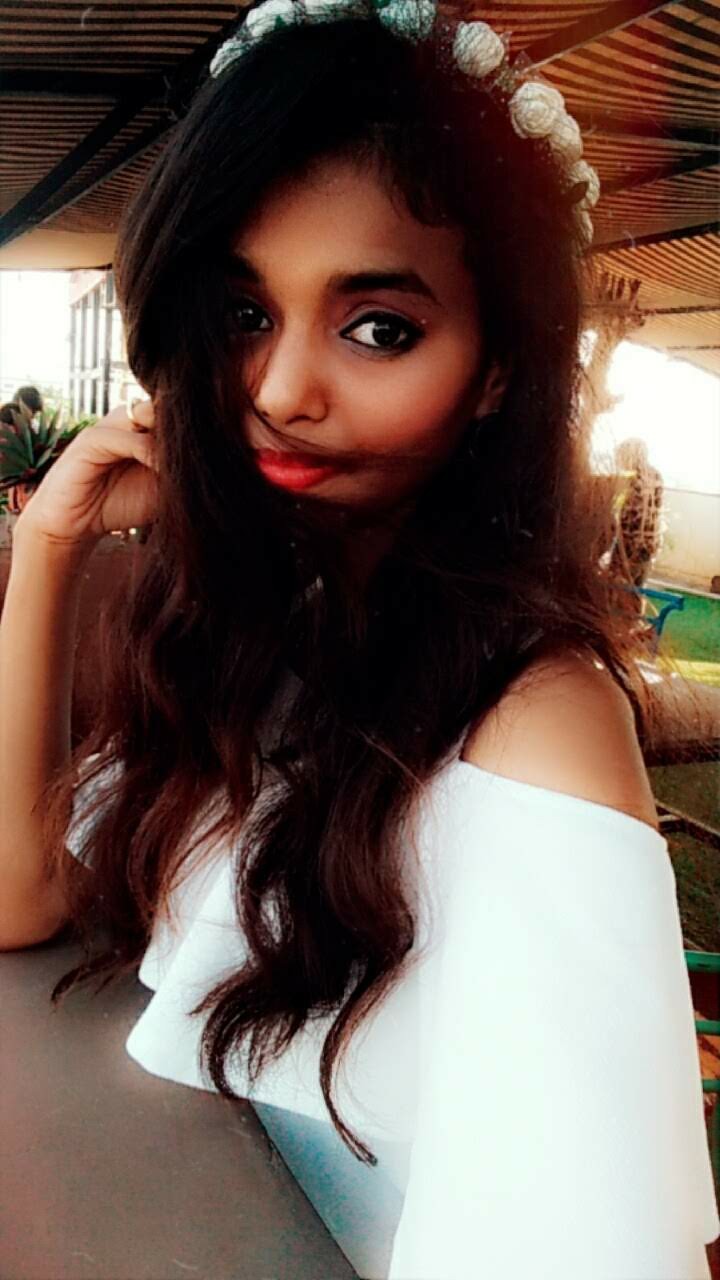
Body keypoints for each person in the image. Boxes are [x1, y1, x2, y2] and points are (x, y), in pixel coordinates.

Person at [0, 4, 717, 1277]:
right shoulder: (263, 623)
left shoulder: (531, 719)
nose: (282, 393)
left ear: (500, 368)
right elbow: (21, 899)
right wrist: (49, 547)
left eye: (378, 326)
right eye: (243, 313)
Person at [609, 437, 665, 589]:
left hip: (630, 546)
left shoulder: (632, 480)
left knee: (618, 588)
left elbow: (628, 518)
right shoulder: (655, 475)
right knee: (636, 588)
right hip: (648, 545)